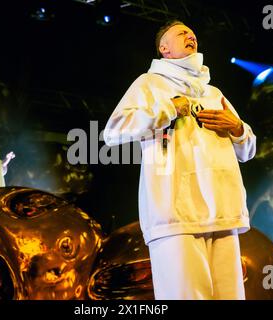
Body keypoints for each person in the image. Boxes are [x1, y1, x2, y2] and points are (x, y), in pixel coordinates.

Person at [103, 21, 256, 300]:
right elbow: (113, 132)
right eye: (181, 33)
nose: (190, 35)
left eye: (192, 32)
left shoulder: (213, 93)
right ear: (164, 49)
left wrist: (236, 128)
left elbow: (248, 151)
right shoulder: (149, 83)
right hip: (175, 214)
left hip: (221, 211)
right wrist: (169, 108)